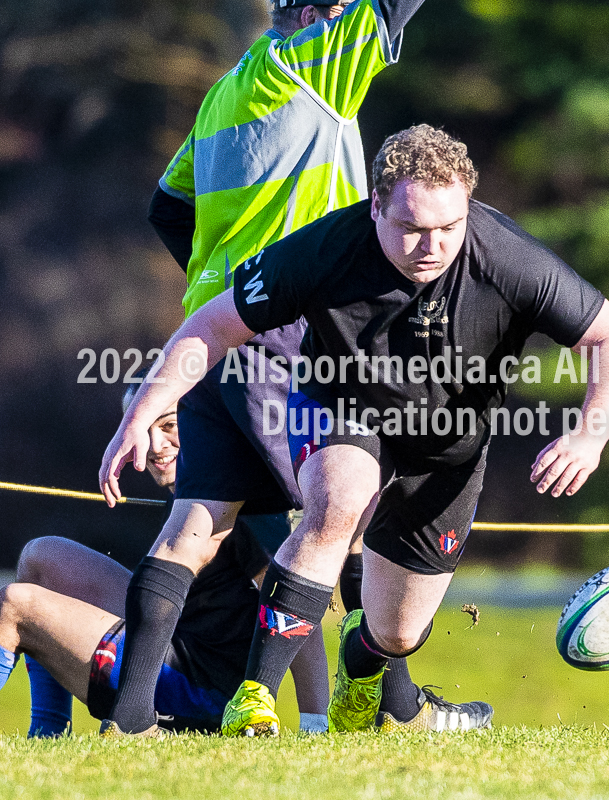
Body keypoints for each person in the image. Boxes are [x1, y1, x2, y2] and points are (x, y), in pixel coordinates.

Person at [101, 124, 609, 735]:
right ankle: (252, 698)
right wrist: (143, 408)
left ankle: (365, 672)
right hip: (342, 404)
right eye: (411, 229)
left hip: (449, 444)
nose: (431, 246)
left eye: (448, 228)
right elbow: (213, 325)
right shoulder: (325, 248)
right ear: (376, 205)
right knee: (336, 505)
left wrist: (590, 434)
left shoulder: (507, 258)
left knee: (398, 629)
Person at [102, 0, 430, 736]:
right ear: (313, 12)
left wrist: (226, 281)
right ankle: (394, 709)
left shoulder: (228, 89)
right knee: (352, 506)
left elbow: (167, 206)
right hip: (288, 333)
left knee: (196, 525)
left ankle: (130, 721)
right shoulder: (312, 62)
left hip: (216, 333)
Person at [1, 393, 328, 736]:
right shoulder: (192, 484)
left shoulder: (239, 498)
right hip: (176, 641)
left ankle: (123, 720)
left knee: (13, 605)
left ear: (202, 419)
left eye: (170, 425)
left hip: (200, 694)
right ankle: (48, 732)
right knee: (41, 557)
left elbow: (291, 605)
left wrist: (314, 723)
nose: (156, 445)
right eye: (142, 428)